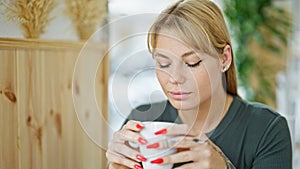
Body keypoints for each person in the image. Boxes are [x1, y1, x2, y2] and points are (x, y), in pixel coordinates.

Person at [106, 0, 293, 168]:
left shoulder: (266, 129)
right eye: (163, 64)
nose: (175, 78)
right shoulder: (142, 121)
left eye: (192, 62)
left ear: (224, 59)